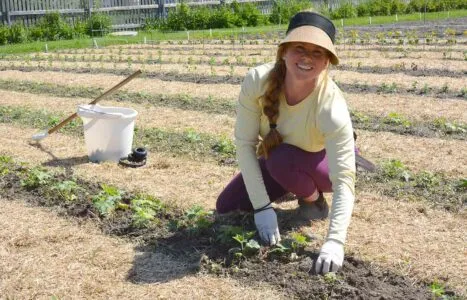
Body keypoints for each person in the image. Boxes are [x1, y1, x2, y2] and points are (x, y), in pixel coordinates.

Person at [216, 11, 356, 275]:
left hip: (321, 162)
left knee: (280, 159)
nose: (306, 58)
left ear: (327, 62)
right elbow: (245, 144)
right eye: (299, 48)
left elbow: (344, 179)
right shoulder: (257, 81)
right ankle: (291, 185)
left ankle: (313, 202)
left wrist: (335, 241)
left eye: (317, 52)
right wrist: (262, 207)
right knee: (228, 205)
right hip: (279, 159)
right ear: (283, 51)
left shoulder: (331, 106)